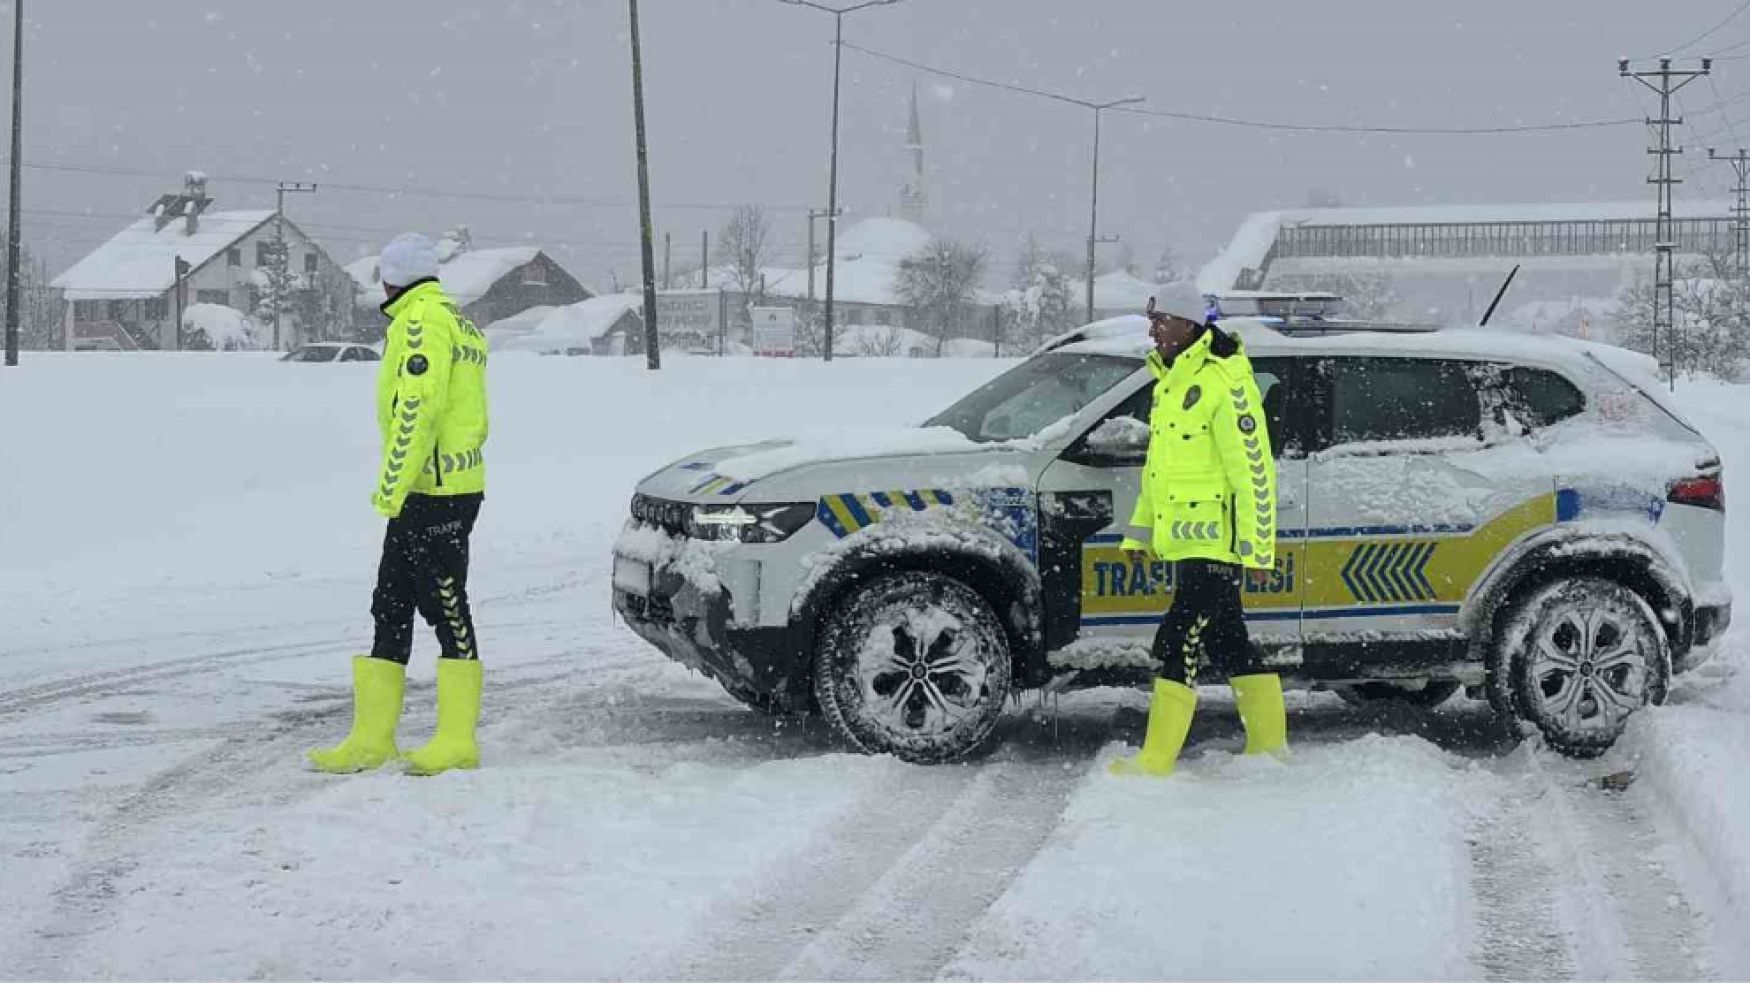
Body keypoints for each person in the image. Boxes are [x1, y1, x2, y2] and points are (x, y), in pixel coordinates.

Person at [310, 232, 490, 776]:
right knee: (390, 603)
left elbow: (417, 410)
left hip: (434, 493)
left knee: (443, 605)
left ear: (393, 279)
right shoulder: (458, 321)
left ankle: (457, 741)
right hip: (440, 488)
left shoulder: (419, 323)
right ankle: (371, 738)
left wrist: (392, 487)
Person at [1110, 292, 1287, 776]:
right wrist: (1138, 535)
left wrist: (1256, 550)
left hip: (1219, 543)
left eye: (1161, 320)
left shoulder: (1224, 381)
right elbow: (1159, 472)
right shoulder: (1168, 382)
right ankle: (1270, 747)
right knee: (1230, 642)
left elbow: (1253, 472)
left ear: (1190, 324)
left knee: (1177, 639)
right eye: (1150, 321)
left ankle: (1156, 759)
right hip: (1186, 541)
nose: (1153, 330)